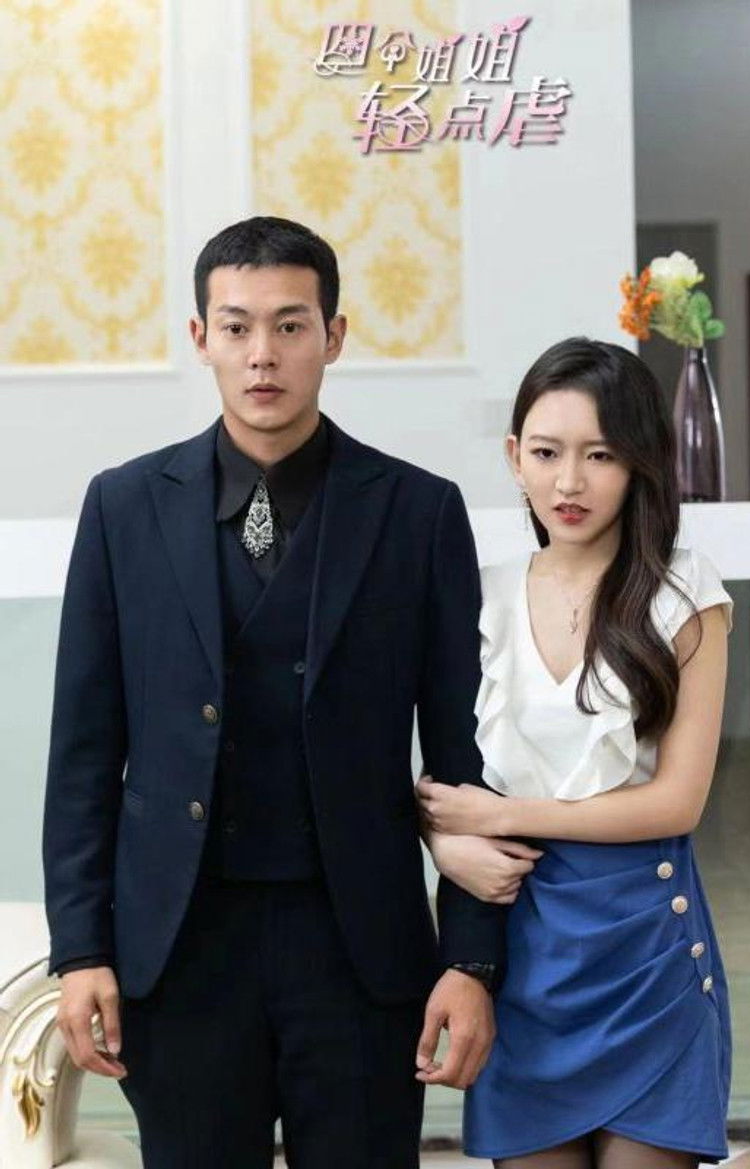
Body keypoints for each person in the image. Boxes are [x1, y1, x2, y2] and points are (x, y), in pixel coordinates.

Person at [42, 215, 526, 1169]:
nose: (262, 353)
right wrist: (81, 950)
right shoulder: (123, 507)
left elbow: (467, 757)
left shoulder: (417, 511)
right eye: (236, 326)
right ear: (201, 338)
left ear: (333, 336)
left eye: (291, 325)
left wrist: (471, 960)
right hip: (179, 952)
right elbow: (84, 753)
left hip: (359, 949)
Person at [418, 337, 732, 1169]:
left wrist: (502, 815)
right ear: (513, 456)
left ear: (639, 463)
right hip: (524, 950)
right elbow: (425, 775)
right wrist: (443, 837)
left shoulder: (684, 592)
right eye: (548, 452)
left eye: (600, 455)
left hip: (646, 952)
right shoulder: (479, 595)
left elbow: (677, 801)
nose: (569, 482)